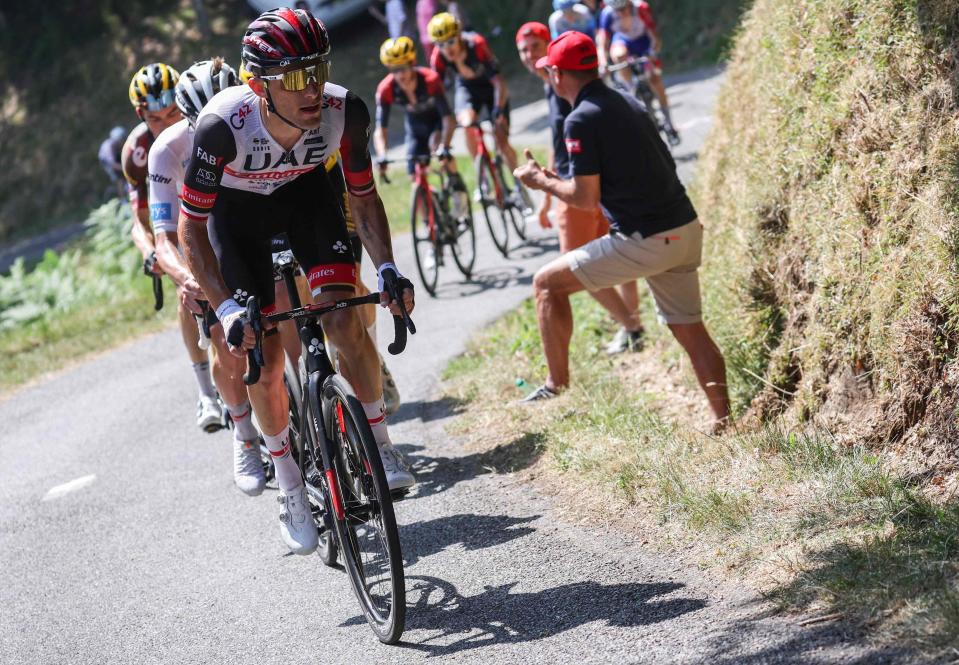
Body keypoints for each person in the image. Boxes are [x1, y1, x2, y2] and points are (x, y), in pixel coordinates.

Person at [178, 8, 417, 556]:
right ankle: (289, 487)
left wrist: (385, 269)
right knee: (260, 351)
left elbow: (363, 196)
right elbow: (193, 226)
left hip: (308, 200)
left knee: (344, 317)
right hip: (238, 219)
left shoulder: (342, 111)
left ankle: (381, 445)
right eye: (292, 77)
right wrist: (226, 308)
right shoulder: (221, 128)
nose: (309, 88)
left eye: (316, 70)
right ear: (257, 84)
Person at [513, 31, 730, 432]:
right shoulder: (627, 101)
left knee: (545, 284)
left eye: (550, 72)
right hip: (682, 227)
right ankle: (724, 419)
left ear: (559, 74)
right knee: (690, 328)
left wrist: (540, 181)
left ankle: (555, 385)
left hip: (645, 239)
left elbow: (582, 197)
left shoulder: (579, 119)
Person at [149, 58, 274, 495]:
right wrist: (186, 277)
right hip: (201, 241)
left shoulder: (252, 119)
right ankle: (243, 433)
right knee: (226, 338)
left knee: (291, 316)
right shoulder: (166, 150)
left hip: (248, 228)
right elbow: (163, 237)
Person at [515, 22, 643, 362]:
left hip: (579, 187)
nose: (530, 56)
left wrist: (553, 190)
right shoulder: (553, 88)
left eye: (536, 46)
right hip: (579, 184)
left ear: (551, 47)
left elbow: (578, 137)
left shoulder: (566, 85)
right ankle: (632, 323)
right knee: (610, 257)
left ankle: (632, 326)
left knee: (577, 267)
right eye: (523, 50)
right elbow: (560, 145)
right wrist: (546, 198)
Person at [124, 63, 223, 431]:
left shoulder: (202, 123)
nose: (166, 124)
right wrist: (151, 252)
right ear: (141, 115)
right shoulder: (137, 150)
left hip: (211, 213)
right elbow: (139, 221)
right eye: (155, 118)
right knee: (187, 287)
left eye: (172, 114)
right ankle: (205, 393)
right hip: (174, 219)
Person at [373, 37, 464, 205]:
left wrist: (445, 144)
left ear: (412, 63)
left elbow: (447, 118)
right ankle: (428, 220)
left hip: (437, 122)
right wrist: (382, 154)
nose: (400, 74)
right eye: (394, 69)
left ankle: (457, 187)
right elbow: (381, 129)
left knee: (436, 145)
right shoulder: (386, 89)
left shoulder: (430, 79)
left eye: (403, 67)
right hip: (415, 128)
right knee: (414, 177)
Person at [428, 12, 520, 176]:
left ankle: (519, 180)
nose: (446, 49)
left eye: (450, 41)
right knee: (466, 125)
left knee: (501, 140)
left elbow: (499, 82)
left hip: (491, 87)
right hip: (467, 87)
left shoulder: (476, 44)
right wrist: (437, 127)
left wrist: (498, 109)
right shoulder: (438, 58)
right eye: (440, 44)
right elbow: (437, 94)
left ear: (459, 36)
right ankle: (482, 176)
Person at [596, 0, 679, 145]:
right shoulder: (607, 13)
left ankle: (669, 122)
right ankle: (630, 87)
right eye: (618, 11)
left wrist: (653, 53)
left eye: (624, 8)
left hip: (643, 41)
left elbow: (654, 35)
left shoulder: (640, 7)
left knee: (655, 79)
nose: (622, 13)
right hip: (623, 41)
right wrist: (602, 63)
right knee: (618, 55)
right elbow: (602, 42)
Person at [98, 126, 127, 199]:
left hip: (113, 158)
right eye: (122, 140)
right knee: (119, 178)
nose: (123, 142)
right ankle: (123, 199)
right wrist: (124, 168)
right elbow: (113, 164)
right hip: (106, 162)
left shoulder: (116, 143)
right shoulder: (109, 147)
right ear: (118, 139)